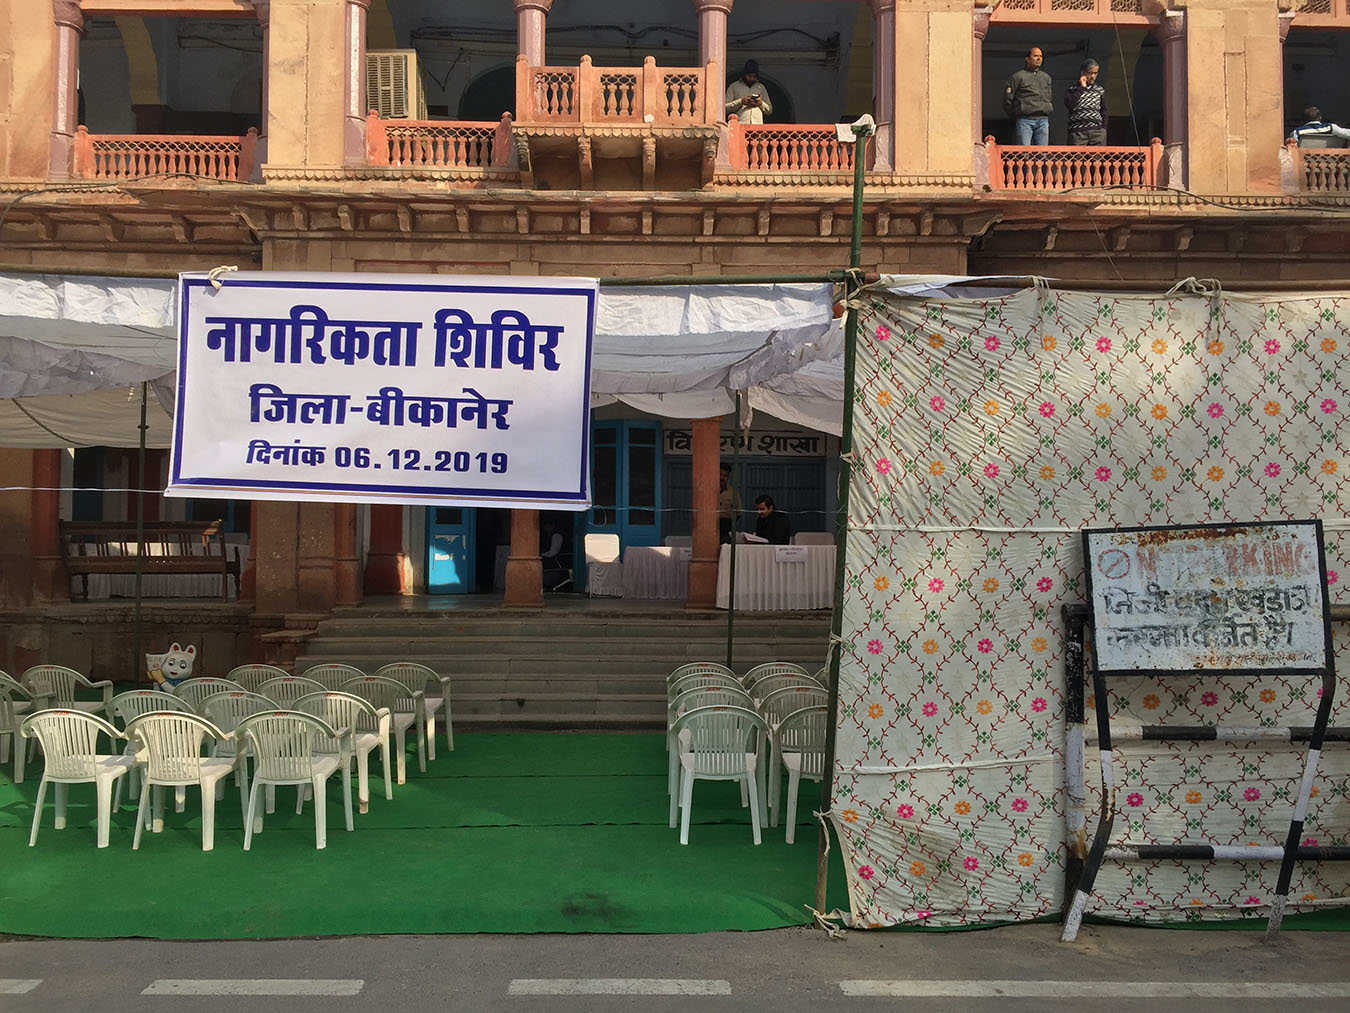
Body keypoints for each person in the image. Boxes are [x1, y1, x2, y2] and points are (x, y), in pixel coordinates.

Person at [1003, 47, 1052, 146]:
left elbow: (1049, 97)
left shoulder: (1046, 78)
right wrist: (1016, 115)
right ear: (1028, 59)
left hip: (1043, 120)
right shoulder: (1018, 77)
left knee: (1042, 155)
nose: (1038, 58)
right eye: (1035, 56)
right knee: (1024, 154)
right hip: (1025, 120)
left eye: (1040, 56)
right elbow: (1008, 100)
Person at [1064, 59, 1107, 146]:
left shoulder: (1099, 90)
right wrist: (1081, 88)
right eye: (1090, 73)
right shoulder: (1072, 89)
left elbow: (1104, 111)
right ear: (1083, 73)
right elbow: (1070, 104)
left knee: (1097, 159)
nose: (1093, 76)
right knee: (1076, 159)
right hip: (1078, 132)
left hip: (1097, 132)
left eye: (1095, 73)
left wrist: (1103, 129)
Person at [726, 59, 772, 125]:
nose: (752, 79)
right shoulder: (734, 86)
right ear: (745, 75)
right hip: (740, 125)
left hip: (757, 127)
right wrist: (741, 102)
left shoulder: (761, 87)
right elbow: (725, 108)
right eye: (749, 76)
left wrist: (760, 103)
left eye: (754, 76)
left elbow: (769, 110)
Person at [540, 517, 569, 591]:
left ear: (552, 525)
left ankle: (548, 584)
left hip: (559, 559)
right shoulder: (548, 536)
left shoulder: (556, 535)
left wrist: (541, 555)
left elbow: (553, 552)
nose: (546, 528)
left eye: (547, 526)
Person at [718, 463, 738, 544]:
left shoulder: (733, 492)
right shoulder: (707, 489)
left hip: (725, 528)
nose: (722, 478)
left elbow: (738, 513)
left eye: (725, 476)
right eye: (720, 475)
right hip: (708, 527)